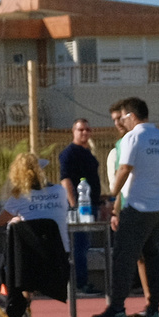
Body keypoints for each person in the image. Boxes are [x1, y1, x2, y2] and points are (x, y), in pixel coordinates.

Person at [93, 95, 159, 317]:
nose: (122, 122)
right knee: (154, 258)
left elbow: (125, 169)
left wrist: (111, 196)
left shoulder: (133, 138)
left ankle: (117, 308)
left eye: (123, 117)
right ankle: (153, 309)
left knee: (123, 257)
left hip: (139, 206)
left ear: (131, 116)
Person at [0, 150, 69, 317]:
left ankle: (20, 306)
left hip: (29, 265)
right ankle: (25, 306)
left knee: (16, 242)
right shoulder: (60, 191)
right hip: (59, 256)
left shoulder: (19, 196)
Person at [57, 118, 105, 289]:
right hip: (80, 207)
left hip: (91, 205)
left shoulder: (88, 153)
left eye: (87, 130)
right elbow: (66, 179)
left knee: (84, 246)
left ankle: (82, 282)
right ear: (73, 131)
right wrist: (75, 205)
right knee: (79, 246)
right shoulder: (69, 153)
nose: (84, 133)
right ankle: (79, 283)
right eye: (80, 130)